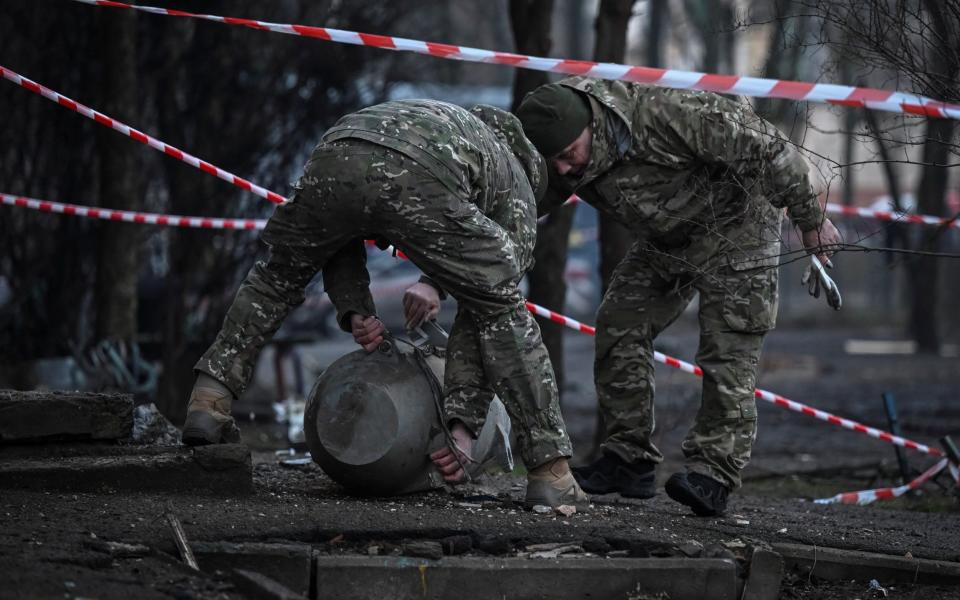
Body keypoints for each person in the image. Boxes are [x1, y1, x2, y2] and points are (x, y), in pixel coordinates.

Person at [182, 99, 588, 509]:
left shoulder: (453, 123)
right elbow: (485, 308)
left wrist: (355, 308)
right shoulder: (518, 183)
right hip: (421, 170)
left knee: (277, 276)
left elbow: (342, 228)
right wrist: (463, 422)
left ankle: (209, 399)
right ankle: (550, 470)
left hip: (339, 146)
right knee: (503, 313)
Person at [516, 77, 842, 516]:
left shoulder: (668, 114)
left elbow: (768, 146)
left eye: (568, 155)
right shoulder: (565, 157)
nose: (562, 170)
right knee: (619, 323)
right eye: (552, 161)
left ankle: (714, 475)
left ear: (591, 125)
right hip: (669, 237)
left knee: (729, 349)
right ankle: (627, 461)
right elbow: (516, 207)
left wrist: (810, 218)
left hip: (737, 226)